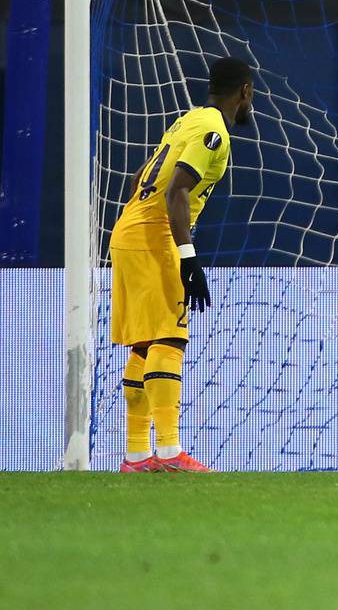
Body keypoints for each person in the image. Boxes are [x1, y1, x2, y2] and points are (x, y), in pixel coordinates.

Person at [109, 56, 254, 473]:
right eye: (251, 94)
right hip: (153, 236)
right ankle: (170, 453)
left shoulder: (187, 120)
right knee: (170, 339)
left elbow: (141, 177)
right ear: (245, 91)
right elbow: (176, 192)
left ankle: (137, 456)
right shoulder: (213, 132)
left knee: (145, 342)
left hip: (129, 232)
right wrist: (188, 260)